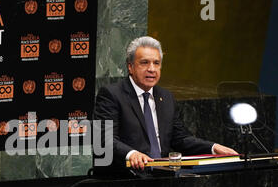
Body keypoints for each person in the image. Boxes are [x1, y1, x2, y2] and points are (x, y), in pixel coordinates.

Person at [93, 36, 237, 172]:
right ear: (130, 67)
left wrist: (213, 147)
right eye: (144, 63)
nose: (152, 69)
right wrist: (132, 154)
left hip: (163, 176)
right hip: (124, 178)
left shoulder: (166, 97)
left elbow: (180, 139)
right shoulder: (111, 94)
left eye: (156, 63)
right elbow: (103, 139)